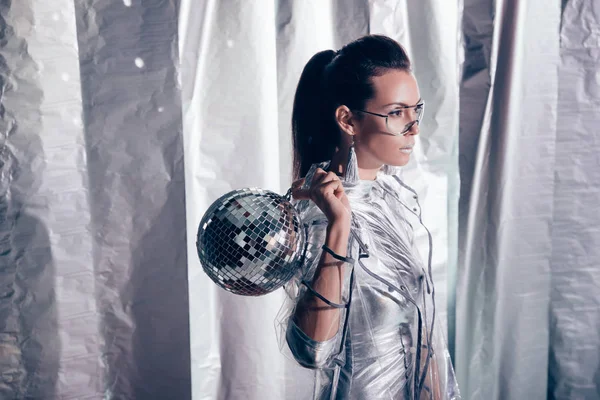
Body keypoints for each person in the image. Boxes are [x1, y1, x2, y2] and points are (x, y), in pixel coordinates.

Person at [276, 35, 461, 399]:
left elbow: (422, 337)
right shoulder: (320, 216)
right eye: (396, 112)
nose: (414, 127)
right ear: (347, 120)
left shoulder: (391, 200)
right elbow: (312, 351)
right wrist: (339, 227)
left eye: (415, 110)